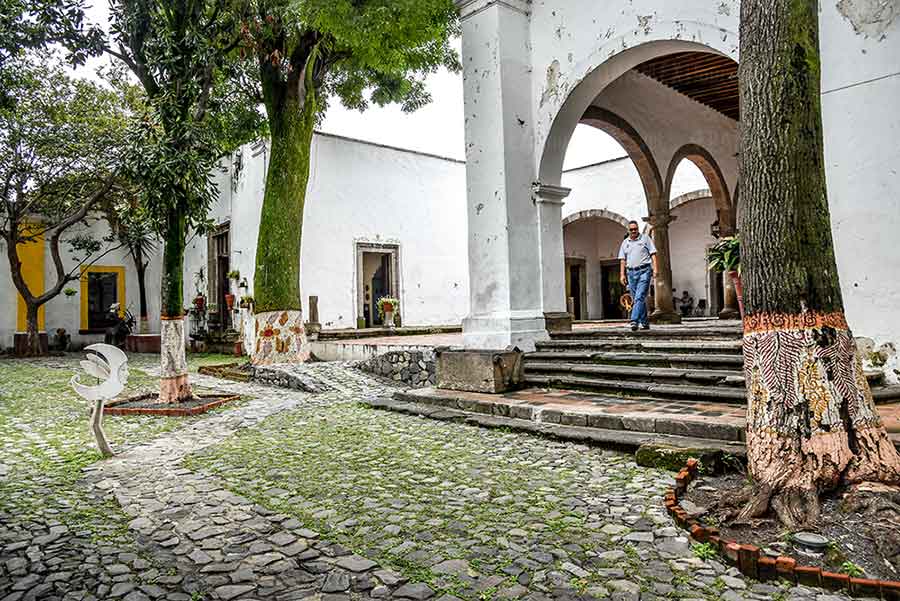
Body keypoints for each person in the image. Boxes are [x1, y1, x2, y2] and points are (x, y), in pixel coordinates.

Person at [618, 221, 659, 331]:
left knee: (639, 296)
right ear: (628, 230)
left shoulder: (645, 239)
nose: (633, 231)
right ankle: (645, 322)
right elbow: (622, 260)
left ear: (638, 229)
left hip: (644, 271)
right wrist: (622, 275)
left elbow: (653, 254)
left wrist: (655, 268)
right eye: (631, 229)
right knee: (637, 298)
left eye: (635, 229)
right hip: (630, 273)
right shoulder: (625, 243)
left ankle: (634, 320)